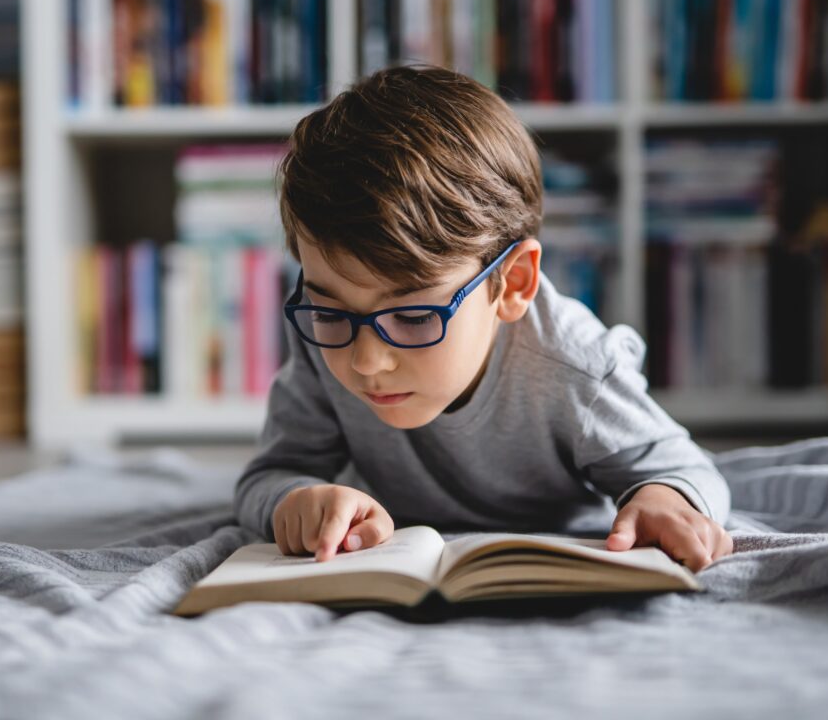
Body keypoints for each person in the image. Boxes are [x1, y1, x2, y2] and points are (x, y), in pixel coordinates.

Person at [234, 65, 733, 571]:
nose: (366, 360)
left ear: (513, 283)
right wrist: (294, 500)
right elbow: (271, 474)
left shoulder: (575, 368)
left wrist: (665, 499)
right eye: (329, 310)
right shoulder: (327, 340)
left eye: (412, 316)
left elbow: (686, 469)